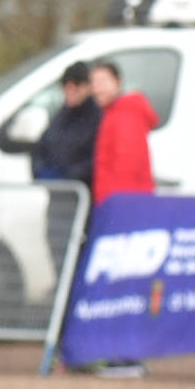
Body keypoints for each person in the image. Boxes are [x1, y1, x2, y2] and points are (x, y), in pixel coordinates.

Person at [30, 60, 100, 273]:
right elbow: (41, 147)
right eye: (66, 86)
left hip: (81, 199)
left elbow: (96, 158)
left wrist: (70, 177)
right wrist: (40, 172)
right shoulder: (60, 116)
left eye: (76, 85)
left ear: (87, 87)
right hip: (57, 198)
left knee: (78, 250)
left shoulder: (96, 117)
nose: (70, 91)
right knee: (56, 245)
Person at [89, 60, 156, 207]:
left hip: (122, 204)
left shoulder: (126, 113)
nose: (97, 89)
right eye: (93, 83)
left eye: (102, 82)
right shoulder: (112, 113)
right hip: (119, 202)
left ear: (118, 82)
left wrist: (113, 204)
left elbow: (127, 168)